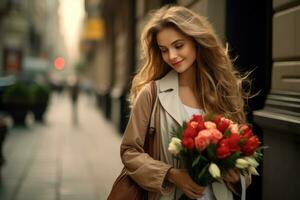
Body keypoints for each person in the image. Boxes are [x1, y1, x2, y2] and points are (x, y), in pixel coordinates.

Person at [120, 5, 251, 200]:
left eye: (178, 45)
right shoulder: (151, 94)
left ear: (196, 41)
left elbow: (244, 153)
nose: (172, 56)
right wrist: (170, 174)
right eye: (164, 50)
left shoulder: (224, 90)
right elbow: (129, 152)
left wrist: (236, 175)